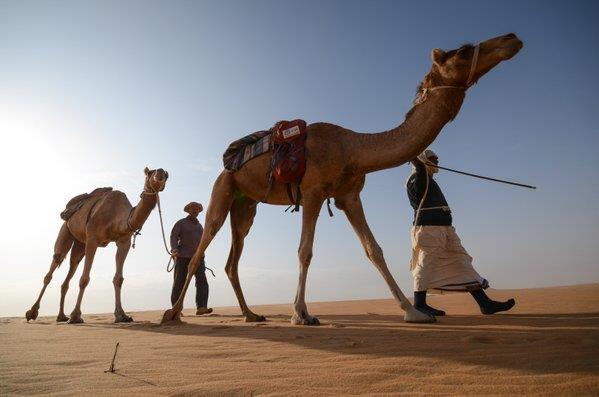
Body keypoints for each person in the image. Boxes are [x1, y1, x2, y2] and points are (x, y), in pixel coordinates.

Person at [406, 149, 515, 316]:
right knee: (425, 264)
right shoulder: (416, 179)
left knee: (462, 262)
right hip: (429, 231)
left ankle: (485, 304)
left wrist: (420, 164)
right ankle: (419, 304)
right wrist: (417, 162)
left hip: (446, 231)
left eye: (437, 158)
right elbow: (420, 182)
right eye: (433, 159)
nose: (437, 161)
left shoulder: (429, 179)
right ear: (423, 160)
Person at [170, 201, 212, 315]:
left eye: (197, 209)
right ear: (188, 210)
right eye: (193, 208)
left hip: (198, 258)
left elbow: (203, 241)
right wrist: (174, 249)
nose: (195, 210)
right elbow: (173, 236)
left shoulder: (200, 226)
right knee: (179, 282)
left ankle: (201, 307)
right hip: (183, 257)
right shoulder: (181, 223)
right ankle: (176, 309)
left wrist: (202, 254)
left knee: (202, 280)